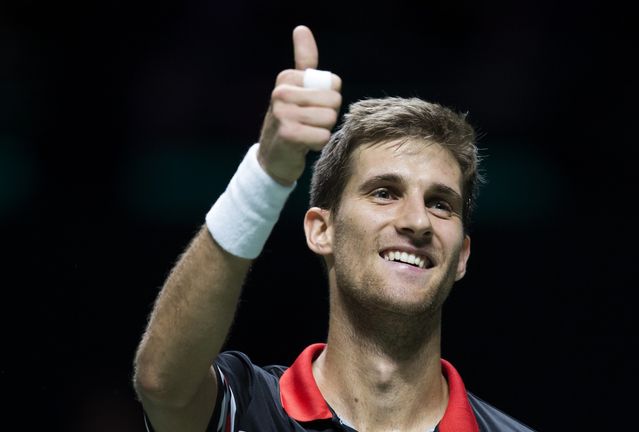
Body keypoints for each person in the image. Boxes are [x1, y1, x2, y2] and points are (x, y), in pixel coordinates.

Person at [132, 24, 536, 432]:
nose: (417, 221)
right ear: (321, 230)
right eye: (384, 193)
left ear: (462, 255)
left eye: (440, 204)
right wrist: (267, 174)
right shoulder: (249, 406)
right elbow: (162, 384)